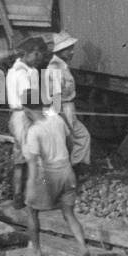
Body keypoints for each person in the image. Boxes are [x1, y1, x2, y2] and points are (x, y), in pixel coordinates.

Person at [20, 102, 89, 256]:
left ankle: (35, 250)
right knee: (69, 214)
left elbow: (33, 164)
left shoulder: (34, 131)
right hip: (67, 172)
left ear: (27, 109)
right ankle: (83, 247)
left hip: (47, 176)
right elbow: (70, 141)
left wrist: (30, 188)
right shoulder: (57, 119)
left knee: (30, 209)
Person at [44, 32, 92, 174]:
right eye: (68, 49)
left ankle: (75, 168)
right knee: (74, 138)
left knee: (80, 137)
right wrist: (63, 119)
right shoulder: (55, 68)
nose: (72, 52)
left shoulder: (62, 65)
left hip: (67, 107)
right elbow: (56, 97)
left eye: (71, 48)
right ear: (60, 51)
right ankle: (73, 171)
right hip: (62, 109)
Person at [5, 38, 43, 209]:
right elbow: (28, 101)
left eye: (40, 53)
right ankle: (33, 197)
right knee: (33, 155)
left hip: (18, 115)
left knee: (20, 158)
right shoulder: (22, 73)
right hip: (24, 115)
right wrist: (40, 120)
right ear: (26, 53)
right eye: (36, 53)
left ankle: (19, 196)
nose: (38, 56)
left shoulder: (25, 69)